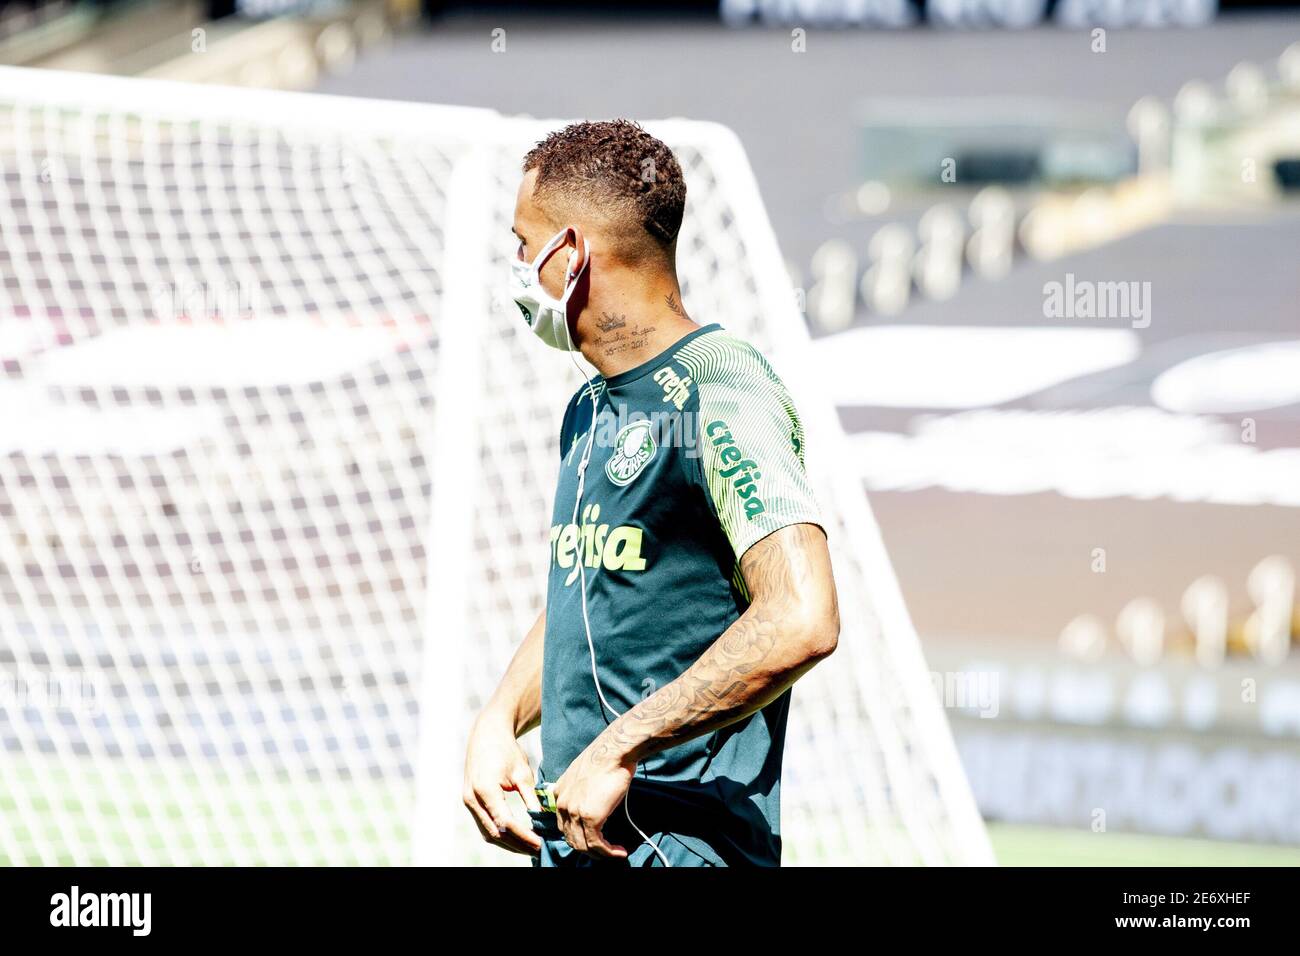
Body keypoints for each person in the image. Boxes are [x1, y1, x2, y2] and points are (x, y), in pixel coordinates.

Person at [463, 120, 839, 867]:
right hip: (579, 846)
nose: (514, 267)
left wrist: (620, 747)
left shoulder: (722, 386)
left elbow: (803, 617)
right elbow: (591, 585)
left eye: (520, 243)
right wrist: (499, 719)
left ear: (568, 254)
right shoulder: (589, 405)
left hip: (682, 848)